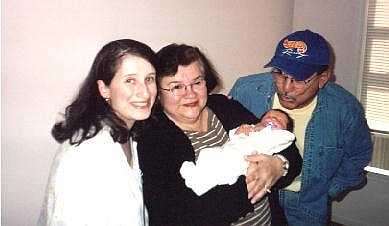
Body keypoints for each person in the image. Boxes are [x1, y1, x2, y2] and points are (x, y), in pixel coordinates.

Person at [136, 44, 302, 226]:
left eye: (197, 82)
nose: (190, 94)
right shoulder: (153, 138)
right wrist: (252, 185)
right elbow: (174, 215)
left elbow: (288, 148)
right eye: (177, 87)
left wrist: (278, 166)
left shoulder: (224, 107)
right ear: (158, 94)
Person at [229, 29, 373, 226]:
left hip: (305, 206)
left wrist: (328, 190)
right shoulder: (246, 91)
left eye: (298, 79)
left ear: (323, 78)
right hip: (255, 195)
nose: (286, 88)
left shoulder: (345, 110)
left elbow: (358, 156)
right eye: (279, 73)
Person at [38, 39, 158, 226]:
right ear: (104, 89)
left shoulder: (126, 133)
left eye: (149, 79)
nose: (144, 93)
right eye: (130, 80)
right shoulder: (87, 154)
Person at [180, 109, 295, 196]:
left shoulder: (279, 136)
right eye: (268, 116)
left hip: (246, 159)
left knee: (228, 171)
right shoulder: (251, 128)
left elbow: (289, 141)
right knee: (208, 154)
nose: (273, 119)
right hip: (230, 150)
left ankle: (200, 185)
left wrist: (279, 163)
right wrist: (239, 132)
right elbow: (232, 138)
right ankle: (196, 174)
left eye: (279, 120)